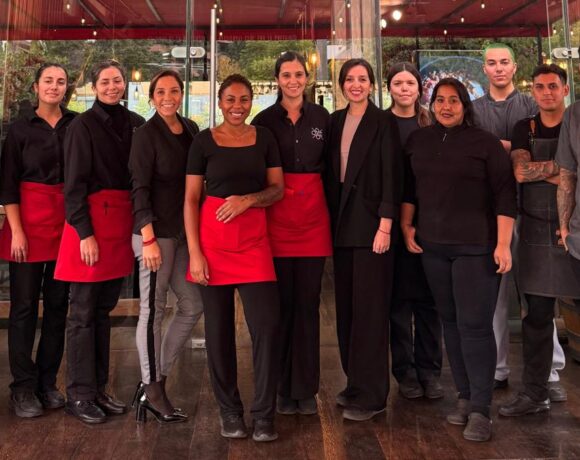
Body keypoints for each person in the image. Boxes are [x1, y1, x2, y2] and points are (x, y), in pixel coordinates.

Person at [404, 78, 516, 441]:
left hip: (477, 248)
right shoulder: (419, 141)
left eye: (454, 100)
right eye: (440, 100)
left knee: (475, 326)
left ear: (465, 106)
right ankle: (465, 397)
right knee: (450, 324)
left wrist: (503, 244)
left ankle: (482, 410)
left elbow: (505, 195)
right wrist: (406, 227)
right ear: (432, 104)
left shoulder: (485, 143)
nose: (446, 106)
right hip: (433, 248)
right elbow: (410, 190)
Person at [184, 74, 284, 442]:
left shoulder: (265, 138)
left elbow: (277, 189)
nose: (237, 106)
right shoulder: (202, 141)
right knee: (218, 333)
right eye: (230, 99)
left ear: (251, 101)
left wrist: (248, 200)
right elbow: (190, 200)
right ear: (220, 102)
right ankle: (229, 412)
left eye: (243, 99)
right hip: (212, 245)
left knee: (267, 327)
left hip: (254, 243)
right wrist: (195, 253)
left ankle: (264, 415)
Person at [54, 60, 145, 424]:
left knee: (103, 311)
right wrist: (84, 233)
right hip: (89, 226)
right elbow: (73, 184)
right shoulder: (81, 126)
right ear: (94, 87)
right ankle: (78, 395)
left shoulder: (135, 123)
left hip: (119, 223)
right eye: (105, 82)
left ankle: (98, 389)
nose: (112, 86)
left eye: (117, 80)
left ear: (125, 84)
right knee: (81, 314)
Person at [473, 44, 565, 396]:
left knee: (539, 295)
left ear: (514, 68)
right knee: (494, 295)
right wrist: (512, 149)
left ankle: (551, 371)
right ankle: (496, 369)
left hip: (532, 212)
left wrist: (499, 148)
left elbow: (544, 163)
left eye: (504, 62)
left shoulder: (530, 105)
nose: (498, 68)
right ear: (484, 68)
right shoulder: (474, 109)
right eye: (492, 63)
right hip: (489, 212)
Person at [251, 51, 332, 416]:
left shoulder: (322, 118)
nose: (293, 81)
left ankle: (306, 388)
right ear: (277, 80)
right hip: (277, 220)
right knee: (281, 305)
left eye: (299, 74)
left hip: (314, 220)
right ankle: (283, 387)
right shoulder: (264, 121)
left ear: (307, 78)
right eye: (286, 75)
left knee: (309, 305)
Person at [498, 64, 580, 417]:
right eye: (540, 87)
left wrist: (547, 170)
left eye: (553, 86)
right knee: (536, 317)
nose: (547, 92)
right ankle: (535, 392)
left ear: (565, 90)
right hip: (533, 231)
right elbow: (520, 171)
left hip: (573, 228)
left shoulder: (575, 122)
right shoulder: (524, 128)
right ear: (532, 91)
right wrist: (564, 170)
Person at [325, 58, 402, 422]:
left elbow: (392, 175)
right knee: (347, 311)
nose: (356, 84)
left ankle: (373, 395)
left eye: (362, 79)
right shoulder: (334, 121)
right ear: (341, 84)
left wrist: (386, 226)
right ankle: (354, 384)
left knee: (370, 312)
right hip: (342, 225)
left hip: (373, 227)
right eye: (349, 79)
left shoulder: (383, 121)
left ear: (372, 85)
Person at [0, 63, 75, 418]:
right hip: (26, 224)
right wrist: (16, 229)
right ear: (36, 87)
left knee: (58, 306)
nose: (54, 87)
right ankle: (22, 387)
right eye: (48, 81)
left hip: (65, 224)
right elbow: (7, 185)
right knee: (24, 308)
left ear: (66, 88)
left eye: (60, 82)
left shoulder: (76, 124)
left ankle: (47, 383)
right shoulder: (18, 129)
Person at [128, 69, 203, 423]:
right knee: (153, 310)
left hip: (182, 234)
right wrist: (148, 239)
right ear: (152, 97)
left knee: (192, 304)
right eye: (161, 92)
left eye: (174, 91)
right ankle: (153, 389)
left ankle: (155, 378)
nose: (168, 97)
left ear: (182, 94)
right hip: (154, 236)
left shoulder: (190, 129)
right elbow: (139, 188)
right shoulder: (145, 135)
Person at [385, 62, 442, 400]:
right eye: (398, 83)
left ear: (420, 88)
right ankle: (404, 371)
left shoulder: (432, 123)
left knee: (429, 300)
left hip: (430, 219)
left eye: (410, 83)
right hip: (391, 220)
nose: (404, 89)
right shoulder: (380, 124)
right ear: (389, 88)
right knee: (398, 302)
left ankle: (430, 370)